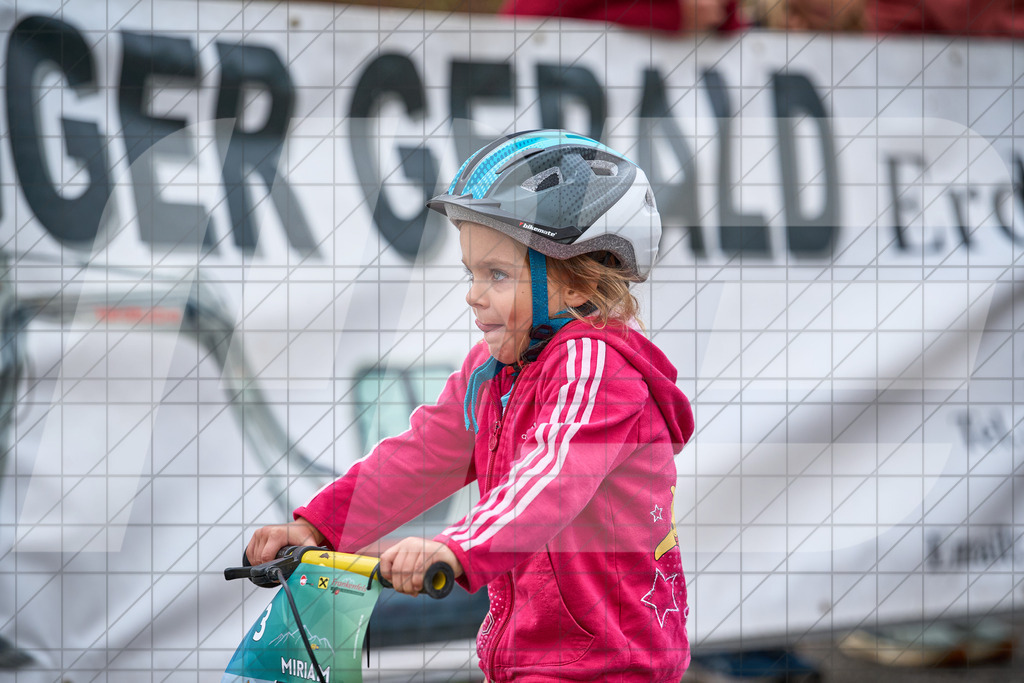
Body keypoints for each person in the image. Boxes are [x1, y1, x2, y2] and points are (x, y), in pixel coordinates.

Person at [245, 130, 695, 682]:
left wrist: (457, 547)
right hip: (526, 662)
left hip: (608, 667)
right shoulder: (493, 371)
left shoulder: (595, 369)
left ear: (578, 284)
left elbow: (550, 478)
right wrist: (318, 527)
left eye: (497, 274)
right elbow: (421, 456)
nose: (473, 294)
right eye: (472, 272)